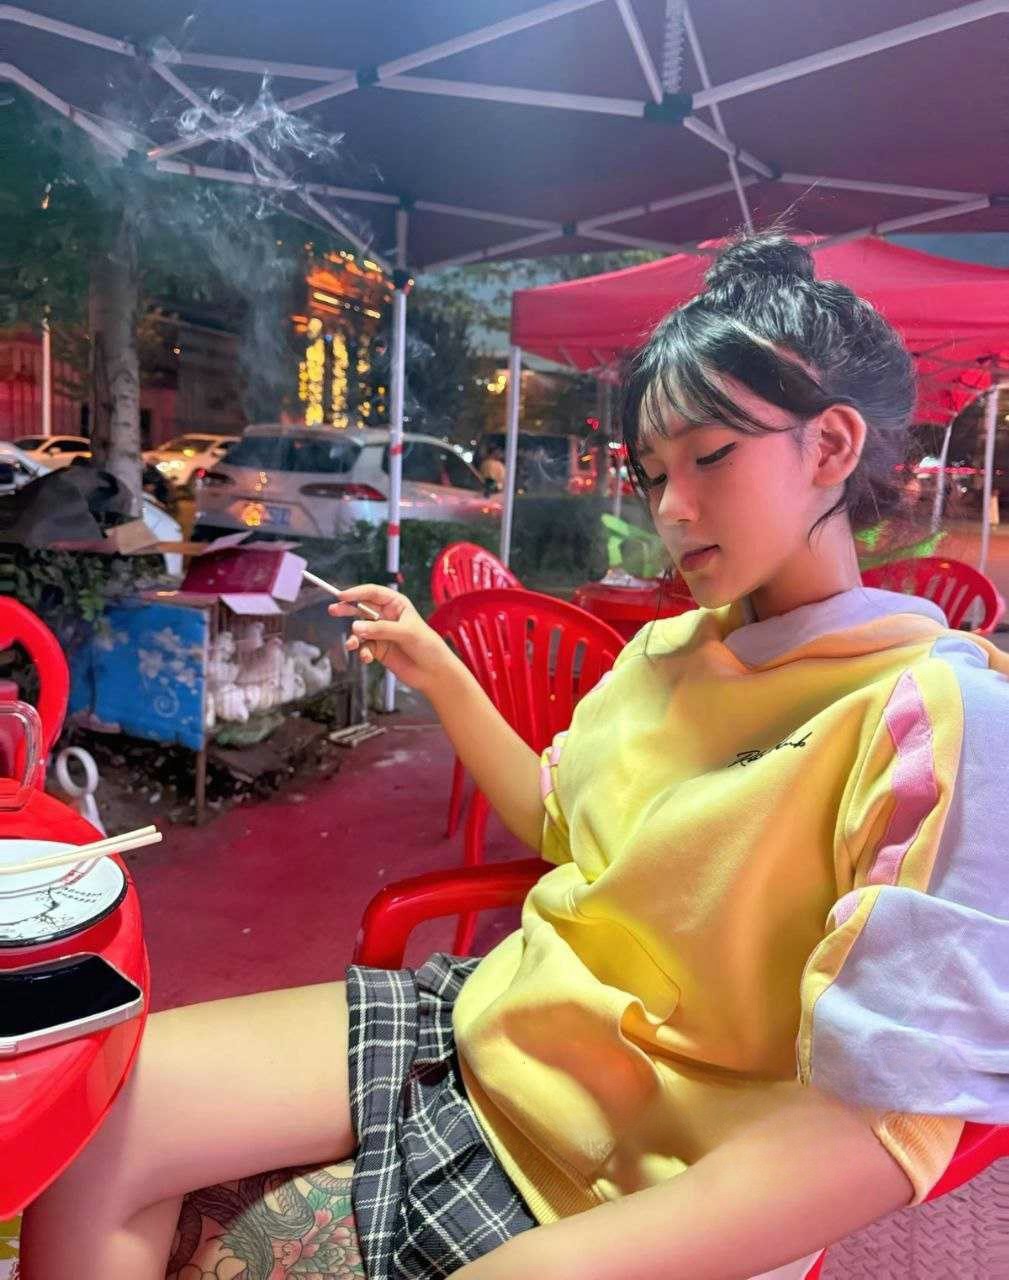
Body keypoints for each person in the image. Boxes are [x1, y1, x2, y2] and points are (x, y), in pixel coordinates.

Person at [22, 234, 1009, 1280]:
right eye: (651, 472)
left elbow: (884, 1123)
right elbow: (556, 818)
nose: (670, 509)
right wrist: (440, 668)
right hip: (487, 1019)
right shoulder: (669, 649)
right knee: (95, 1124)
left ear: (831, 444)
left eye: (710, 456)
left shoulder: (941, 716)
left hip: (624, 1171)